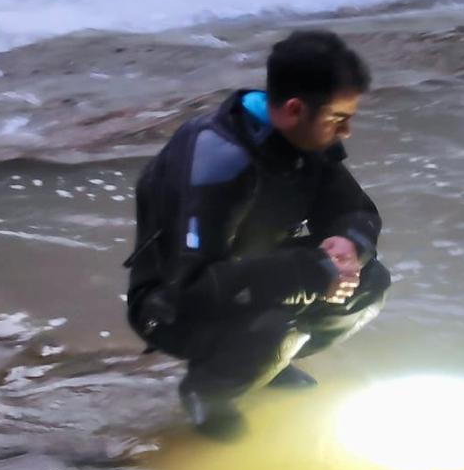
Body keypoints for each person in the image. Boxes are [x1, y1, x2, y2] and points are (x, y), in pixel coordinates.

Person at [124, 30, 391, 438]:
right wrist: (310, 272)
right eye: (339, 119)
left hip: (255, 271)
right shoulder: (217, 161)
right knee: (274, 327)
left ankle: (268, 363)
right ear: (294, 109)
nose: (346, 131)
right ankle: (209, 390)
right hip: (170, 304)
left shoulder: (304, 140)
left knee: (370, 281)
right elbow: (191, 287)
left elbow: (354, 209)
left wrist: (348, 244)